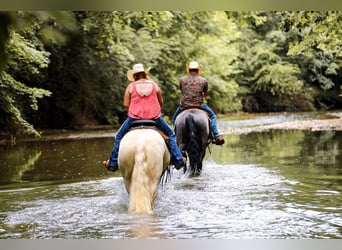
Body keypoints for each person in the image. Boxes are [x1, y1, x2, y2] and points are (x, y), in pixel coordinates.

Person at [103, 63, 186, 172]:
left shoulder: (130, 86)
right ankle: (179, 160)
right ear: (144, 73)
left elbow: (126, 104)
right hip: (154, 118)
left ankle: (113, 163)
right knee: (171, 135)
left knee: (118, 136)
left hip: (134, 118)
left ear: (134, 75)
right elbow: (160, 103)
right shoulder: (154, 85)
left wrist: (137, 106)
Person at [172, 61, 225, 145]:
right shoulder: (204, 81)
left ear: (189, 70)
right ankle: (216, 136)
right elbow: (205, 93)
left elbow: (182, 91)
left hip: (184, 106)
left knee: (174, 119)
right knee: (213, 116)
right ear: (198, 70)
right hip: (199, 105)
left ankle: (174, 139)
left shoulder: (182, 80)